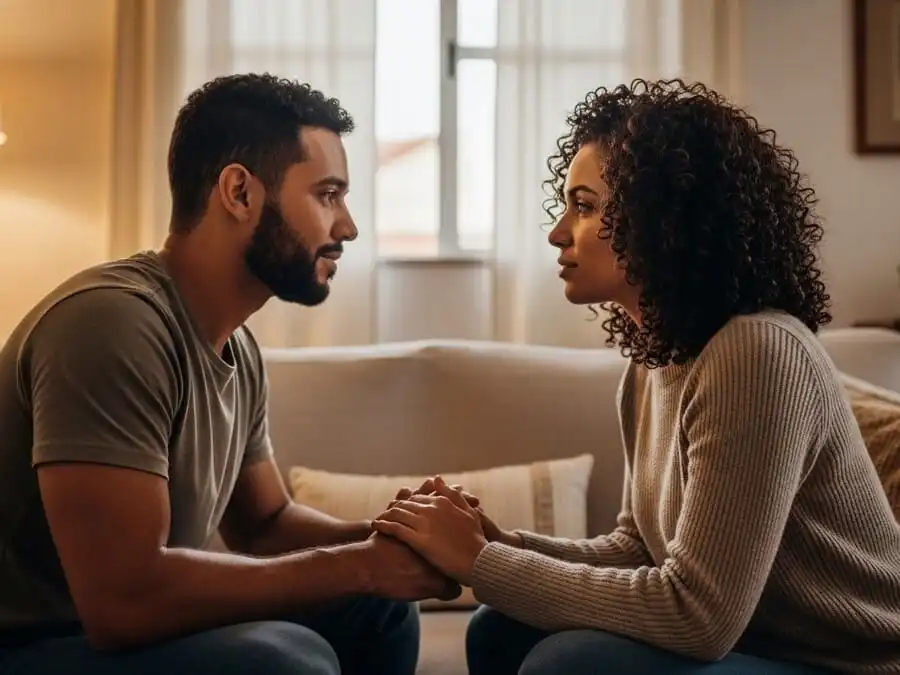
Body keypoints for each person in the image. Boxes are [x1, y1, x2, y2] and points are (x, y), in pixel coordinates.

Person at [373, 79, 900, 675]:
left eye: (585, 206)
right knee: (501, 628)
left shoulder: (757, 353)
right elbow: (639, 549)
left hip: (855, 664)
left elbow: (699, 616)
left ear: (665, 219)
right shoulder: (654, 362)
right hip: (761, 649)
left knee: (572, 664)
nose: (557, 232)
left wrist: (480, 564)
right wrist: (501, 546)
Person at [0, 73, 462, 675]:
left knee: (378, 610)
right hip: (34, 642)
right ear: (240, 192)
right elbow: (122, 601)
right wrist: (357, 566)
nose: (347, 227)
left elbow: (265, 524)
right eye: (327, 195)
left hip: (108, 636)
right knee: (285, 662)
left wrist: (391, 541)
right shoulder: (110, 324)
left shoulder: (237, 348)